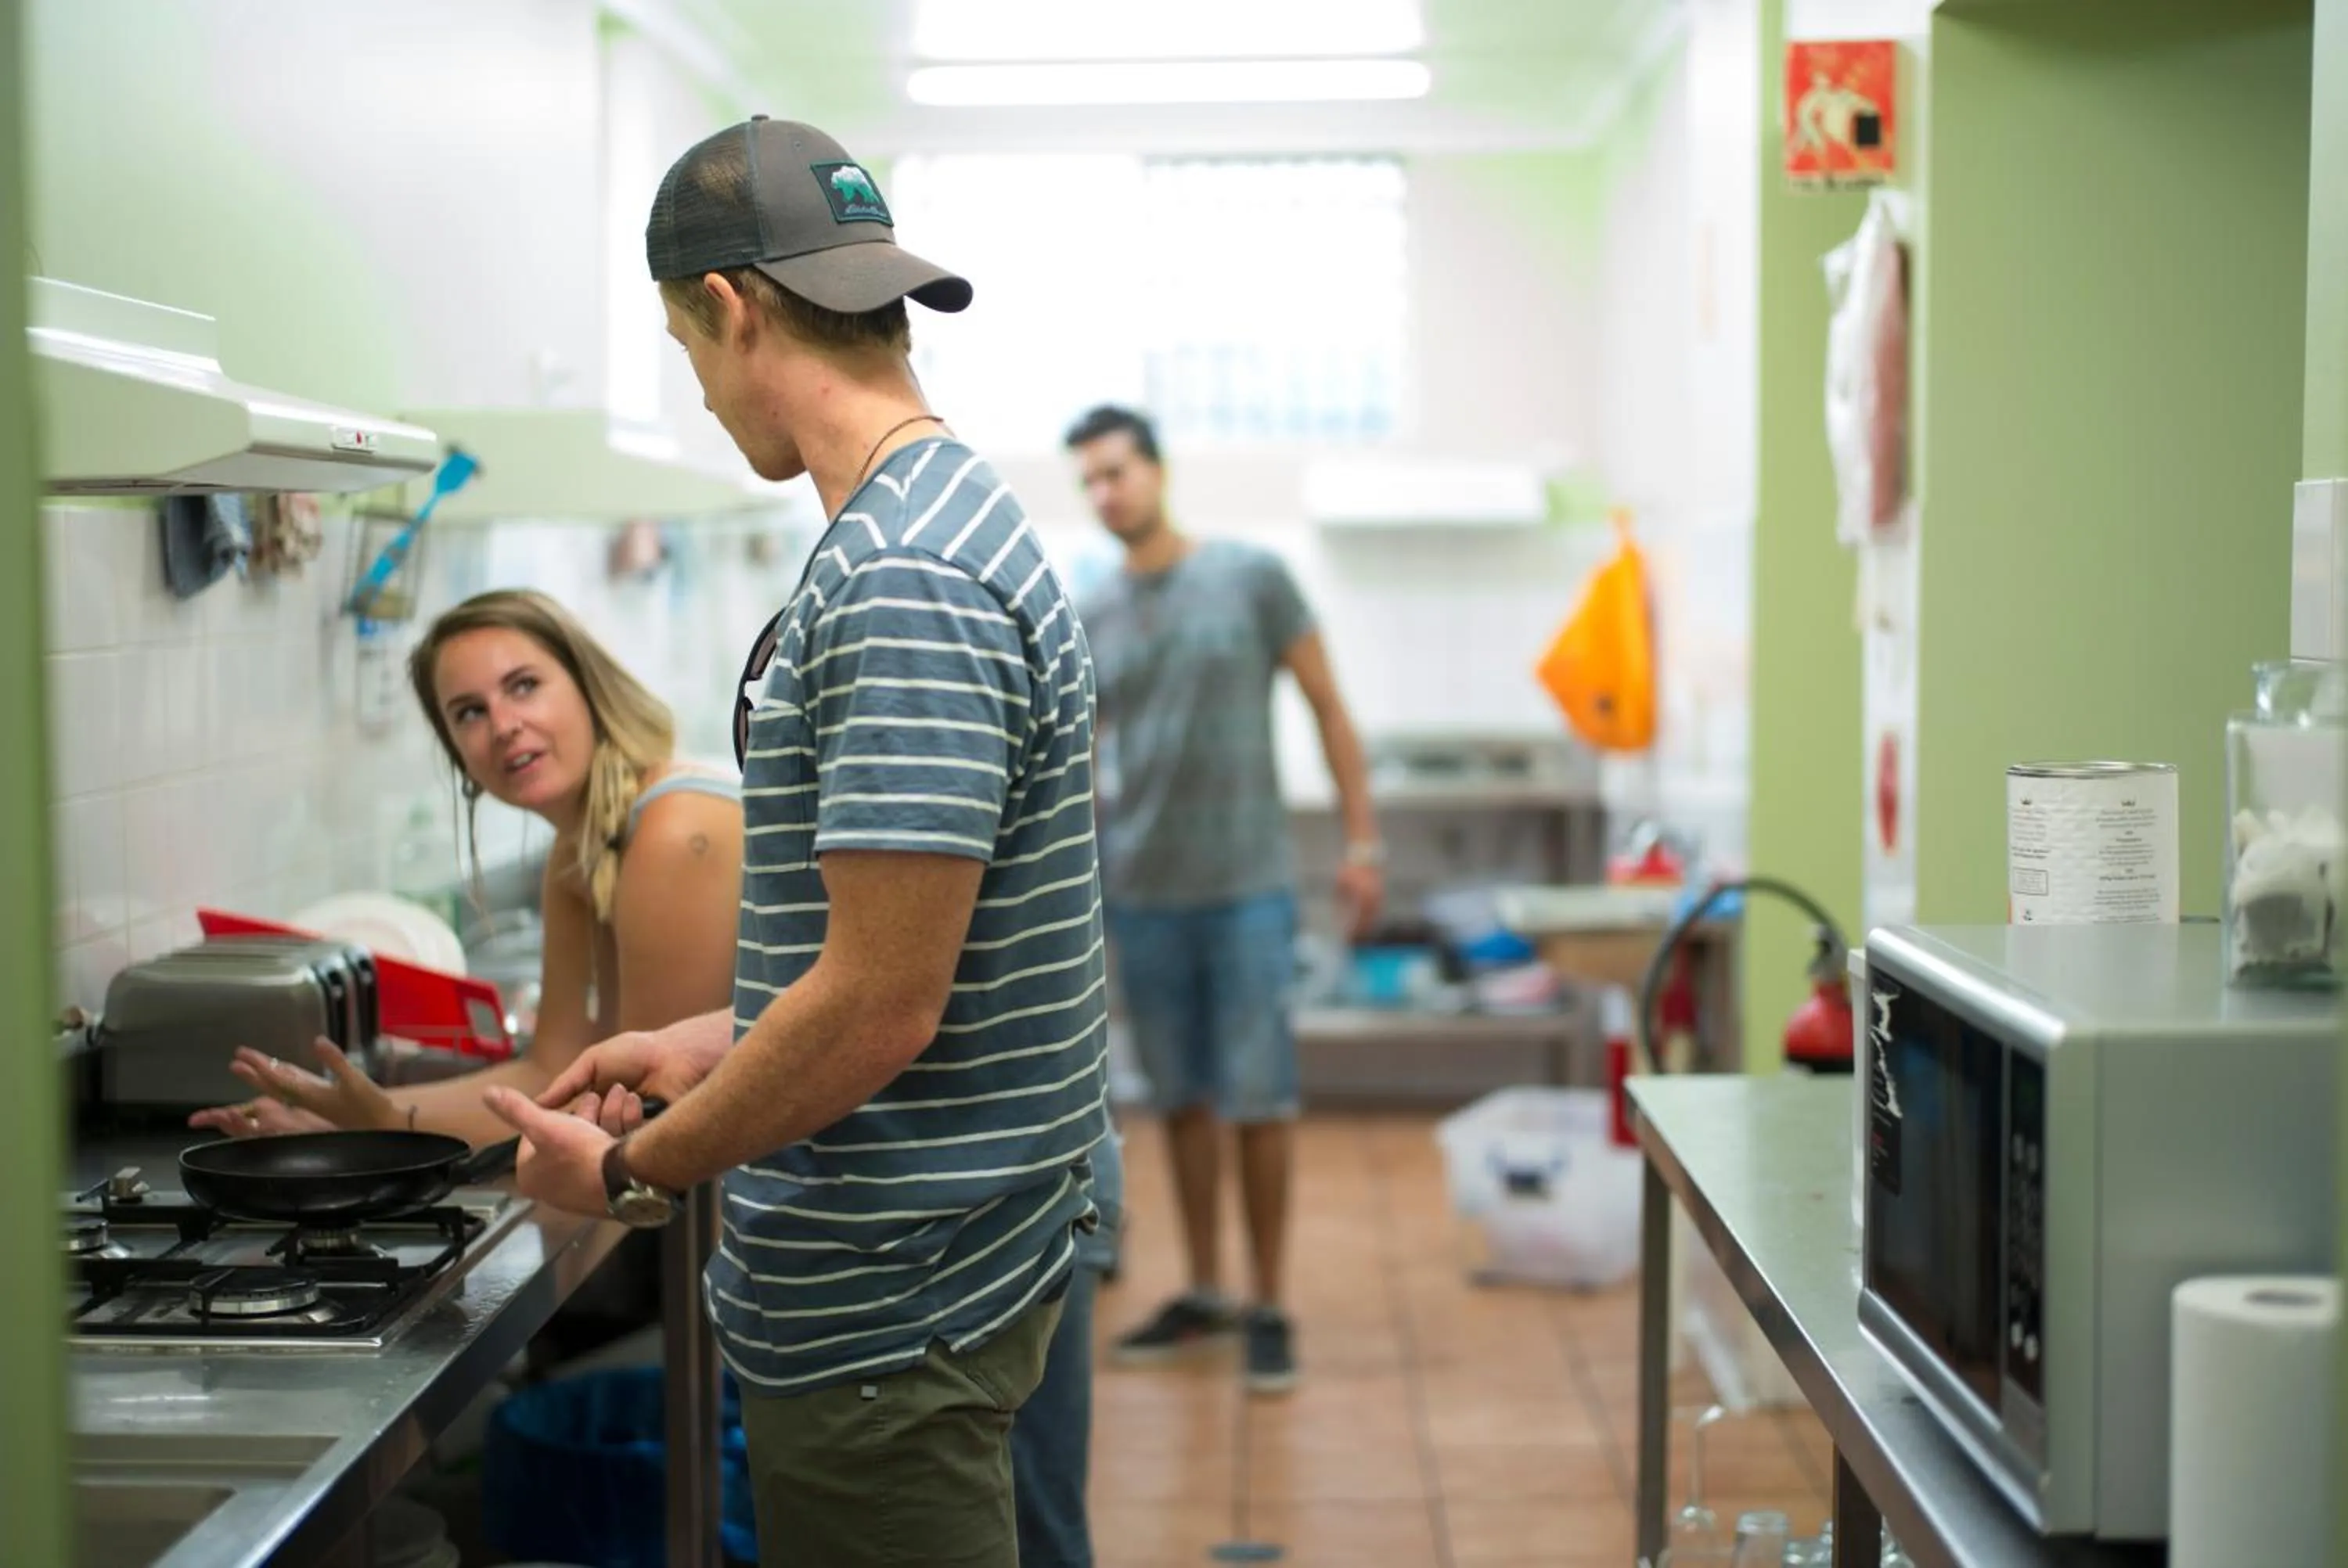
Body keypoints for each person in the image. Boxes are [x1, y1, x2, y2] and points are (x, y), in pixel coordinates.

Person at [478, 117, 1111, 1568]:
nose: (702, 397)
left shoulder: (900, 576)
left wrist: (637, 1174)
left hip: (897, 1300)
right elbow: (908, 943)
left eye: (686, 350)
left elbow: (886, 1001)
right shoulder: (944, 514)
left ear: (733, 307)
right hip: (936, 1263)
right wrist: (727, 1031)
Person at [1063, 404, 1382, 1397]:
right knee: (1183, 1101)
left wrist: (1363, 841)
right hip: (1145, 892)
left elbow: (1329, 706)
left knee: (1260, 1099)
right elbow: (1079, 756)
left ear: (1157, 471)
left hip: (1247, 888)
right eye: (1091, 482)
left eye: (1118, 472)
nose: (1107, 493)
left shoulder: (1251, 577)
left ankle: (1271, 1301)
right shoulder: (1096, 608)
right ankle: (1205, 1288)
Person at [190, 588, 743, 1145]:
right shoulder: (579, 854)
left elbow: (650, 1105)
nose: (503, 726)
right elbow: (548, 1072)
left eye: (524, 687)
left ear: (587, 685)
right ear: (459, 756)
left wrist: (381, 1130)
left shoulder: (673, 834)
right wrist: (358, 1115)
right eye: (470, 713)